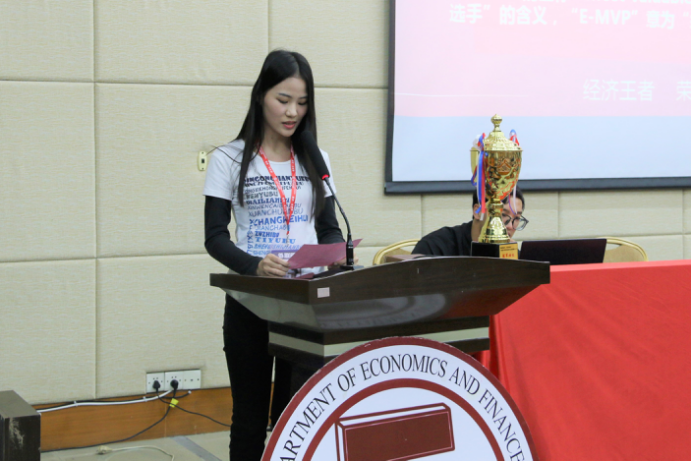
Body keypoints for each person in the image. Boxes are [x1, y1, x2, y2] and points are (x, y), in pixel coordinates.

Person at [203, 50, 344, 461]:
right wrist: (255, 266)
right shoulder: (229, 158)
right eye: (283, 100)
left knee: (293, 416)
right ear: (261, 95)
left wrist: (335, 252)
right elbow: (214, 237)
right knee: (249, 419)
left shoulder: (316, 159)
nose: (292, 112)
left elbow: (329, 227)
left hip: (303, 303)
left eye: (302, 102)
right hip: (251, 301)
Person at [413, 188, 528, 256]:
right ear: (478, 212)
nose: (510, 226)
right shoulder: (436, 247)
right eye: (502, 215)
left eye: (517, 218)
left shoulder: (510, 253)